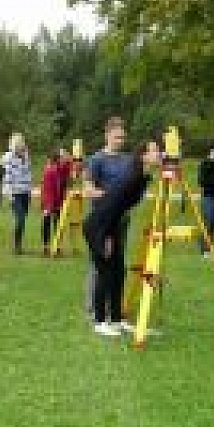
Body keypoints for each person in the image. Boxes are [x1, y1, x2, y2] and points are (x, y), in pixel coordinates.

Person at [83, 140, 160, 336]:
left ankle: (116, 320)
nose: (159, 153)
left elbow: (121, 208)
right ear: (143, 155)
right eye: (155, 151)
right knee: (105, 273)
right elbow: (111, 205)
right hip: (99, 225)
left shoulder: (142, 177)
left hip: (112, 225)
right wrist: (106, 236)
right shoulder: (131, 177)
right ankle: (100, 322)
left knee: (119, 273)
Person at [83, 117, 135, 323]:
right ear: (107, 135)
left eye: (122, 137)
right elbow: (87, 190)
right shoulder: (96, 160)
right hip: (102, 220)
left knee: (117, 264)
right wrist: (109, 196)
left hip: (121, 219)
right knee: (99, 264)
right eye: (116, 137)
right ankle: (93, 307)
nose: (120, 140)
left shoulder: (127, 160)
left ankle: (113, 307)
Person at [1, 133, 33, 254]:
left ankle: (18, 244)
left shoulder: (26, 156)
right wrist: (10, 195)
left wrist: (29, 189)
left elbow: (28, 173)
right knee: (19, 219)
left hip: (25, 191)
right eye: (19, 144)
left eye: (23, 143)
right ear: (14, 145)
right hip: (15, 193)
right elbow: (7, 176)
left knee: (22, 219)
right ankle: (16, 245)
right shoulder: (8, 158)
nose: (22, 146)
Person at [197, 139, 214, 255]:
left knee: (213, 222)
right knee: (207, 223)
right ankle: (204, 249)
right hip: (208, 197)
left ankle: (209, 244)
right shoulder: (205, 163)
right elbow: (201, 181)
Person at [40, 151, 67, 252]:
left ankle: (55, 245)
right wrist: (49, 205)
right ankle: (47, 245)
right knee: (49, 222)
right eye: (61, 158)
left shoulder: (58, 169)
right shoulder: (50, 170)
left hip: (56, 201)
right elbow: (48, 189)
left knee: (56, 223)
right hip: (50, 201)